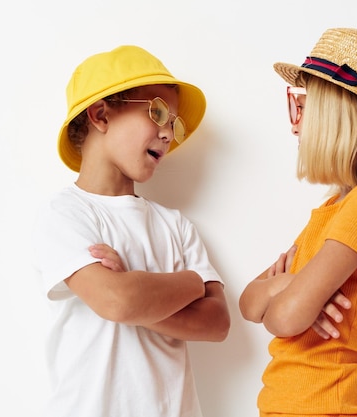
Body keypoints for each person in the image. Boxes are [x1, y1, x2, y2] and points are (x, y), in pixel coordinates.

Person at [239, 28, 357, 417]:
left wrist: (287, 294)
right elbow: (248, 303)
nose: (294, 123)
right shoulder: (335, 208)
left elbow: (283, 318)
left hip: (329, 407)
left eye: (303, 105)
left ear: (339, 113)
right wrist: (290, 285)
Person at [32, 45, 230, 417]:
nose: (169, 134)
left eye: (174, 123)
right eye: (157, 113)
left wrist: (133, 288)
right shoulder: (63, 214)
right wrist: (191, 283)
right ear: (101, 114)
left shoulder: (175, 225)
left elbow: (217, 322)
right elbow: (116, 301)